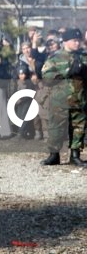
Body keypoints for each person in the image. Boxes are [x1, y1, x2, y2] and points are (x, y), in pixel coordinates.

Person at [40, 28, 87, 166]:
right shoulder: (55, 58)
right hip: (59, 101)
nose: (77, 43)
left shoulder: (84, 57)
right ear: (65, 41)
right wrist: (66, 72)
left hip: (79, 100)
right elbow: (46, 77)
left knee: (78, 128)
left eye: (78, 40)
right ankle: (54, 155)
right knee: (56, 128)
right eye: (74, 40)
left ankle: (75, 156)